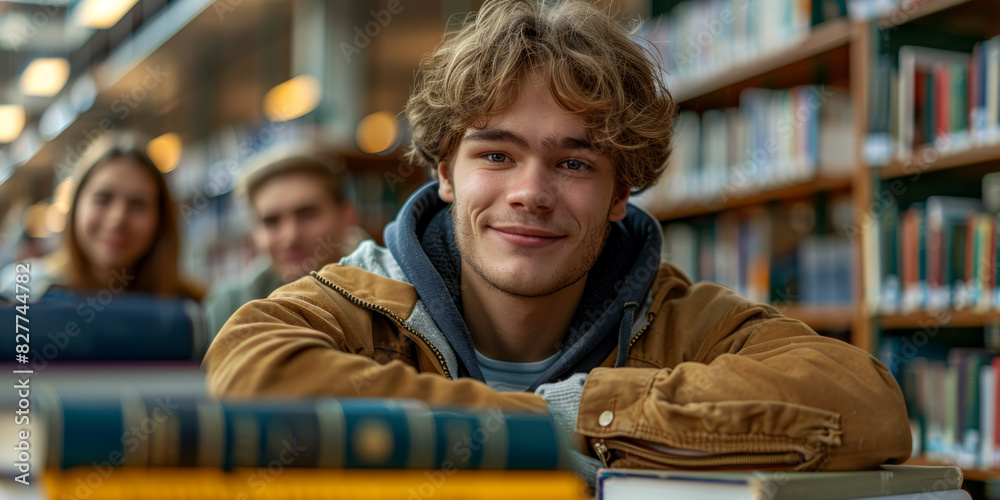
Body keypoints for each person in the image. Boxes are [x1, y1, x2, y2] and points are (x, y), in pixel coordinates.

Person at [204, 0, 910, 481]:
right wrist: (549, 426)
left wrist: (575, 412)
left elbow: (863, 401)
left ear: (620, 192)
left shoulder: (687, 323)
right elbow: (248, 379)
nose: (531, 193)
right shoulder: (352, 302)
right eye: (497, 155)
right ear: (445, 170)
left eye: (574, 162)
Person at [0, 135, 202, 302]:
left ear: (161, 218)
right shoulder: (23, 293)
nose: (118, 218)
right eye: (103, 199)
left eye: (138, 204)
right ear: (76, 206)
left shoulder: (191, 307)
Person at [204, 150, 361, 336]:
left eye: (308, 214)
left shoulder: (387, 290)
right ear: (254, 234)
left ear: (346, 217)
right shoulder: (230, 305)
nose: (290, 237)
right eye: (271, 221)